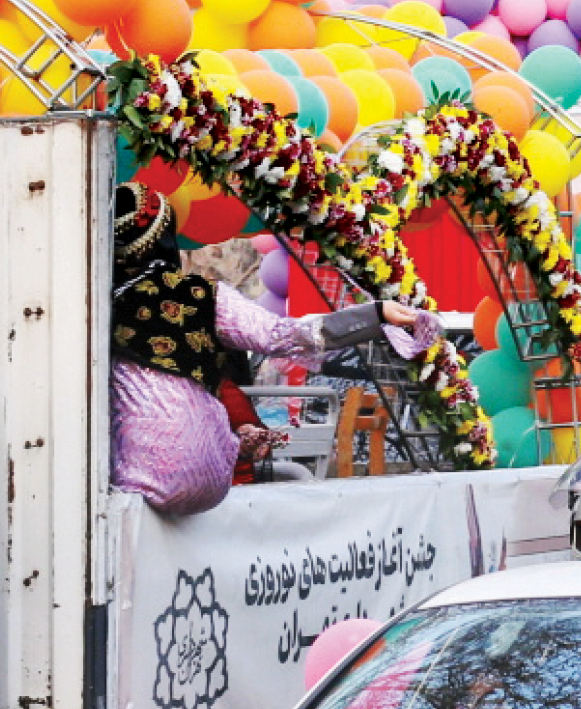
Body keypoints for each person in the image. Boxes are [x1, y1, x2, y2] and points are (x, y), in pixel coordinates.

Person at [110, 182, 428, 516]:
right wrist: (374, 315)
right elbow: (281, 335)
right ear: (166, 237)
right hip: (210, 480)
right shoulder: (203, 294)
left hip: (129, 487)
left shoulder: (92, 305)